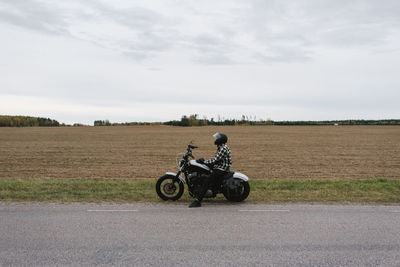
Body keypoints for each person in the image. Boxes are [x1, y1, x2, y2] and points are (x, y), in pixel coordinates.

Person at [189, 132, 232, 208]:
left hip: (221, 168)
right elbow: (215, 160)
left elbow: (214, 160)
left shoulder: (223, 149)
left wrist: (203, 161)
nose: (215, 140)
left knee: (207, 180)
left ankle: (198, 201)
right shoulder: (221, 147)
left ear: (220, 140)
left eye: (217, 138)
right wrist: (204, 162)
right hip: (218, 166)